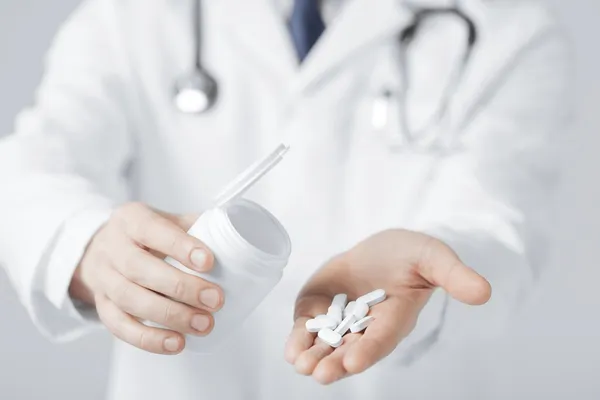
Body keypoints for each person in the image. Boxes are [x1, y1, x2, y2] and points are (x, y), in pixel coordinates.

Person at [0, 0, 572, 399]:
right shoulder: (134, 17)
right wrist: (87, 246)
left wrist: (432, 276)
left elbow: (499, 224)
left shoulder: (508, 32)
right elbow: (31, 164)